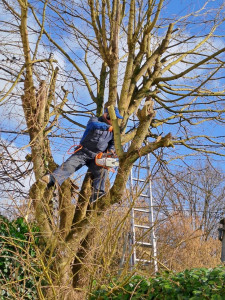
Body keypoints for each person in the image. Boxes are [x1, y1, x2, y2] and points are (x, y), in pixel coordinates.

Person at [41, 106, 123, 203]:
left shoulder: (114, 132)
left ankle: (98, 194)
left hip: (97, 156)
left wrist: (110, 152)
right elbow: (94, 125)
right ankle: (52, 179)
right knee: (69, 165)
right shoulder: (94, 120)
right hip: (83, 152)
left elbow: (113, 144)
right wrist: (108, 127)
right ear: (107, 115)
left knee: (101, 172)